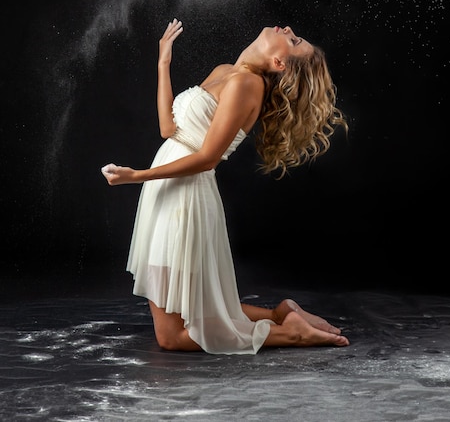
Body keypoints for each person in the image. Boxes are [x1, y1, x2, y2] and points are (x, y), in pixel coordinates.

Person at [101, 19, 350, 353]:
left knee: (171, 336)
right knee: (188, 308)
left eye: (294, 40)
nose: (289, 29)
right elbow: (167, 129)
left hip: (184, 197)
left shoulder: (247, 84)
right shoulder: (226, 71)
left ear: (278, 63)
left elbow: (207, 158)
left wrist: (136, 176)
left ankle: (293, 334)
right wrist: (163, 63)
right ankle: (281, 314)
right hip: (166, 189)